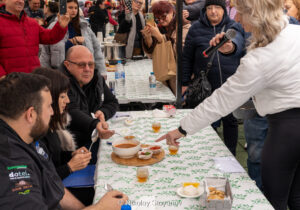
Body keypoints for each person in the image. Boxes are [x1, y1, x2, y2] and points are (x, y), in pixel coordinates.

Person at [157, 0, 300, 209]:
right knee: (296, 198)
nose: (237, 18)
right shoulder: (296, 33)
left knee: (273, 201)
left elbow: (221, 101)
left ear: (254, 15)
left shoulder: (260, 59)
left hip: (285, 132)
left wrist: (181, 129)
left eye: (241, 13)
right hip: (288, 126)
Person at [0, 72, 127, 209]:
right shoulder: (10, 161)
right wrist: (101, 208)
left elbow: (54, 188)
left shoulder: (27, 138)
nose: (52, 112)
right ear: (31, 115)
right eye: (49, 106)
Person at [181, 0, 245, 155]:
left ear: (224, 9)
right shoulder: (196, 28)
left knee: (230, 122)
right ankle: (206, 155)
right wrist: (184, 83)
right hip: (205, 86)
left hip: (230, 84)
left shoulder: (233, 27)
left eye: (217, 7)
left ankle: (230, 156)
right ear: (205, 10)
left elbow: (240, 46)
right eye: (209, 8)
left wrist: (230, 47)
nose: (213, 11)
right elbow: (186, 58)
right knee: (207, 122)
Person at [61, 45, 118, 162]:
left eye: (91, 64)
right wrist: (96, 124)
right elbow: (71, 111)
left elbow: (112, 102)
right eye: (81, 65)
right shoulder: (60, 82)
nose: (87, 69)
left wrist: (103, 112)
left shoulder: (96, 78)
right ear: (67, 65)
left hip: (93, 138)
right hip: (70, 148)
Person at [0, 0, 69, 78]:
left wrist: (61, 26)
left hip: (34, 79)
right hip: (10, 83)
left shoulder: (32, 23)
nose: (20, 1)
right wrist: (2, 76)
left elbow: (50, 37)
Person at [40, 0, 107, 77]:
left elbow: (96, 49)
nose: (74, 10)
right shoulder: (54, 26)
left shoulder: (84, 26)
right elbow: (45, 53)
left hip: (83, 71)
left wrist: (102, 71)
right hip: (61, 73)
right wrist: (45, 76)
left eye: (76, 8)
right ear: (63, 8)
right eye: (70, 7)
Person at [141, 0, 191, 94]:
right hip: (164, 77)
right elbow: (151, 55)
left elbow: (179, 52)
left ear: (172, 12)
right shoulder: (159, 28)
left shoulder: (184, 27)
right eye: (158, 18)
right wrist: (148, 38)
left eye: (163, 16)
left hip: (179, 77)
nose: (161, 20)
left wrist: (160, 37)